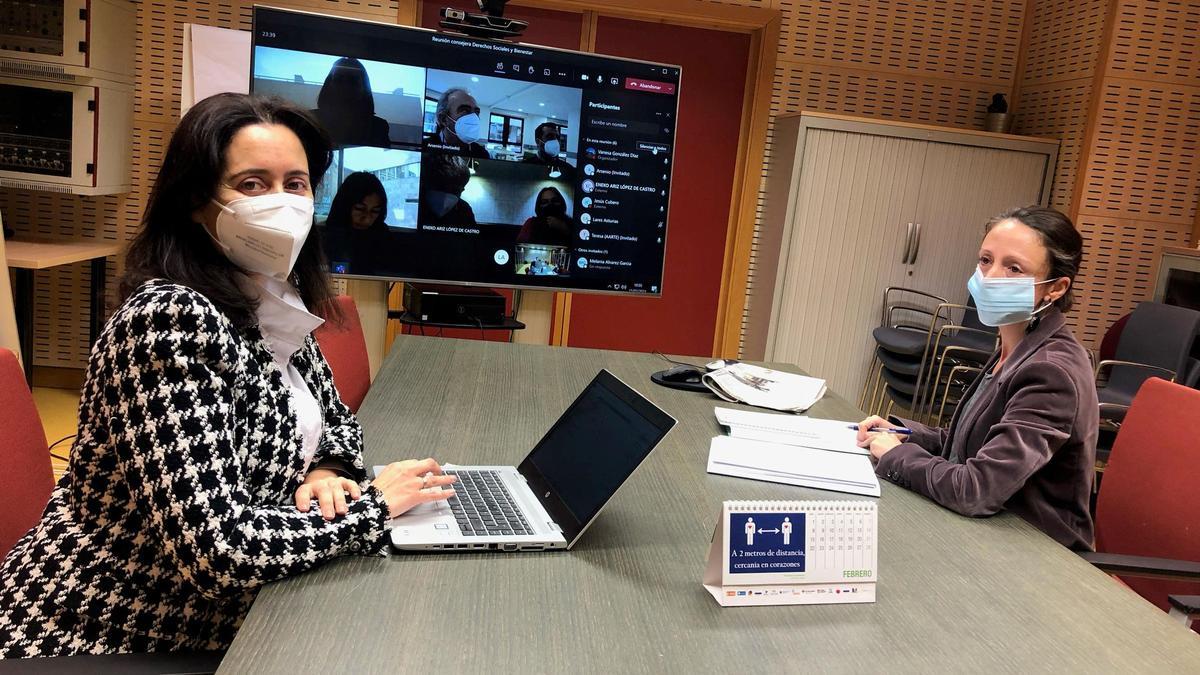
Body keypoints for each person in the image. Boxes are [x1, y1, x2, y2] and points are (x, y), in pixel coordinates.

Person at [0, 93, 457, 659]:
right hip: (111, 633)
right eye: (251, 184)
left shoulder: (269, 299)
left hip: (243, 606)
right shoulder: (167, 322)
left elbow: (334, 417)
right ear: (195, 201)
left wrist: (327, 468)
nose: (282, 203)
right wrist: (374, 508)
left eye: (296, 184)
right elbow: (218, 552)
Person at [856, 206, 1098, 551]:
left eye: (1013, 268)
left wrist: (896, 456)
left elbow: (976, 489)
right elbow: (973, 444)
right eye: (986, 260)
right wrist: (905, 434)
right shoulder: (1015, 345)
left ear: (1055, 288)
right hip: (988, 533)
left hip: (1037, 556)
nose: (991, 277)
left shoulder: (1052, 371)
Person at [311, 57, 391, 148]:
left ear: (364, 89)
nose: (345, 87)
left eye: (353, 81)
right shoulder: (308, 120)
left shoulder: (378, 127)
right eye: (338, 80)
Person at [321, 171, 392, 273]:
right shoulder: (323, 235)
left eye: (375, 211)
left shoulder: (382, 235)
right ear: (344, 206)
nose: (367, 219)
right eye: (360, 209)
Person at [423, 87, 489, 159]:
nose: (474, 118)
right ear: (443, 119)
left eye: (477, 112)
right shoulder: (424, 148)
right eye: (465, 111)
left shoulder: (482, 154)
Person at [417, 153, 477, 227]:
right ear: (424, 183)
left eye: (454, 190)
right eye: (439, 187)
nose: (444, 202)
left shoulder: (464, 209)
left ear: (462, 190)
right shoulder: (414, 205)